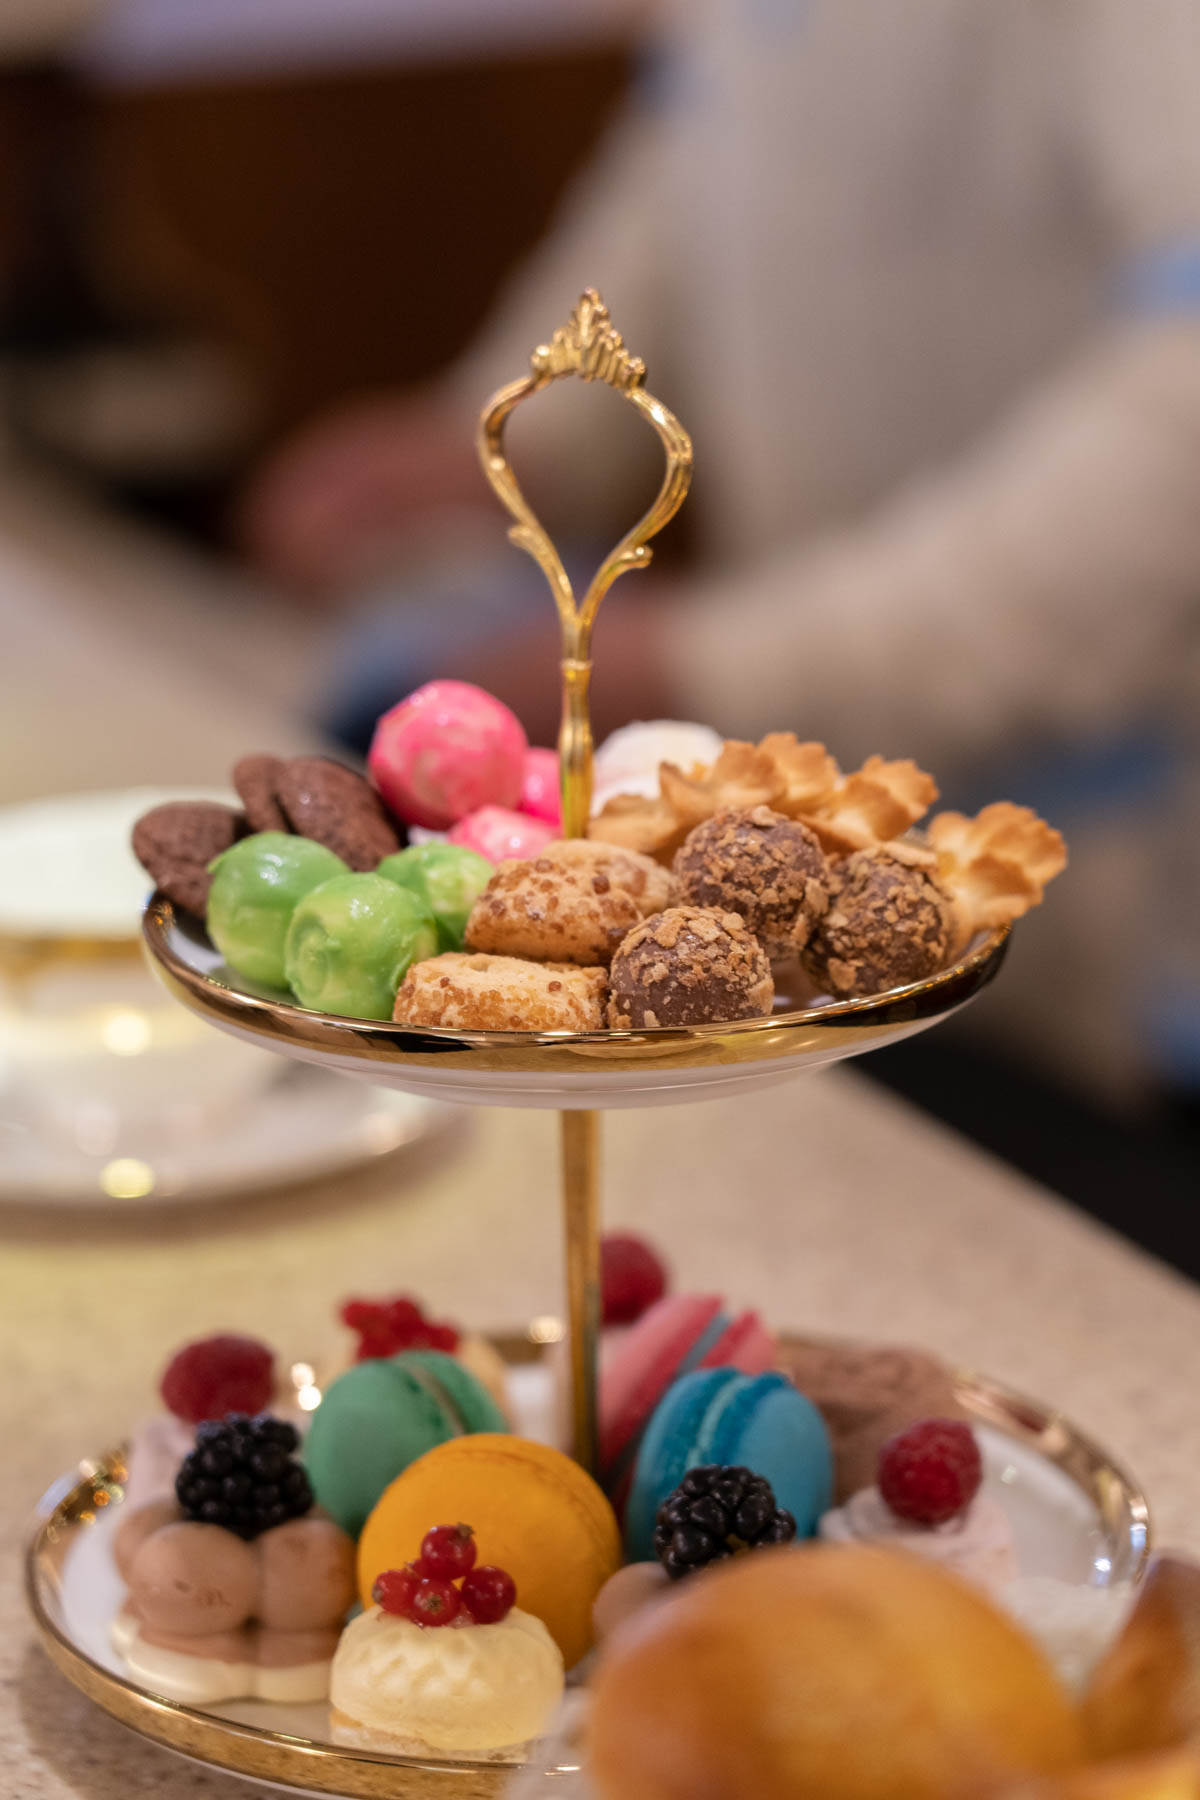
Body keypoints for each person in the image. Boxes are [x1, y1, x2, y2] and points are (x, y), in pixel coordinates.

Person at [243, 0, 1200, 1104]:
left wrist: (719, 664)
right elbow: (692, 171)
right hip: (842, 871)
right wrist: (507, 444)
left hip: (1118, 913)